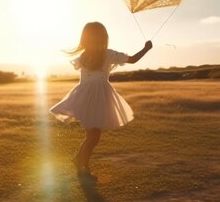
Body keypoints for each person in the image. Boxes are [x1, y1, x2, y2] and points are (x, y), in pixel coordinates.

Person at [50, 22, 153, 175]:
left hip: (86, 96)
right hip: (94, 96)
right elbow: (132, 60)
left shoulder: (86, 56)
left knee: (92, 135)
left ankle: (80, 160)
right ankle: (80, 162)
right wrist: (146, 48)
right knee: (94, 136)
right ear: (104, 37)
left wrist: (145, 49)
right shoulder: (105, 54)